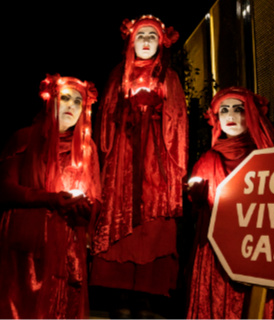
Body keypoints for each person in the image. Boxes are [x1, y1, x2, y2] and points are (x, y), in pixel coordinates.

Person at [92, 16, 187, 315]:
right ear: (130, 42)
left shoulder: (168, 77)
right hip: (123, 157)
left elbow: (179, 123)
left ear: (161, 43)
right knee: (121, 219)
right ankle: (118, 293)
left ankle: (148, 292)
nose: (146, 41)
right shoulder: (117, 75)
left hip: (155, 161)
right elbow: (104, 123)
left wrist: (156, 109)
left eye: (152, 36)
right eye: (140, 36)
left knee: (152, 225)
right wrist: (127, 109)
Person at [185, 87, 274, 318]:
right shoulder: (209, 159)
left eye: (238, 110)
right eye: (224, 110)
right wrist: (198, 194)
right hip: (217, 255)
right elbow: (198, 208)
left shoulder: (269, 157)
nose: (230, 116)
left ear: (251, 114)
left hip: (258, 249)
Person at [0, 75, 101, 319]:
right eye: (65, 98)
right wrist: (49, 199)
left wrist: (85, 209)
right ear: (50, 101)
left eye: (78, 102)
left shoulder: (88, 149)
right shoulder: (24, 138)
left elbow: (95, 197)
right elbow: (4, 189)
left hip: (67, 242)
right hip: (26, 243)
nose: (71, 106)